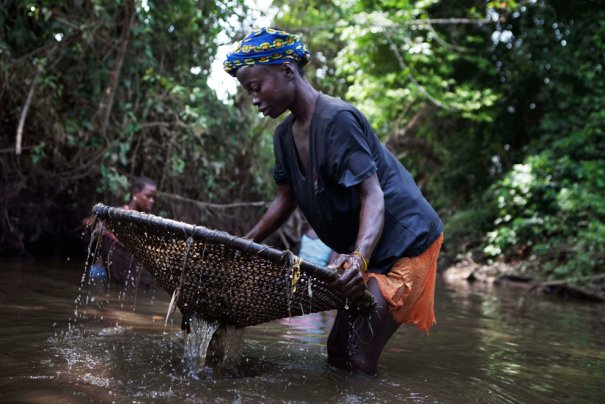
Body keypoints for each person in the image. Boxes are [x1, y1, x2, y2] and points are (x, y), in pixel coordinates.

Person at [224, 27, 443, 376]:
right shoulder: (283, 137)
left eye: (255, 87)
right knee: (337, 349)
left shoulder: (338, 119)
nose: (254, 99)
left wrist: (357, 258)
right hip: (369, 246)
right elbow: (285, 199)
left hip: (407, 240)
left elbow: (373, 195)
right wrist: (247, 242)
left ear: (286, 71)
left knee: (358, 354)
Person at [85, 176, 158, 289]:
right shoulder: (119, 214)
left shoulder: (145, 222)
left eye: (153, 198)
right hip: (101, 273)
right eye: (148, 196)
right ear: (135, 193)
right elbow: (89, 223)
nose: (151, 201)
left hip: (126, 276)